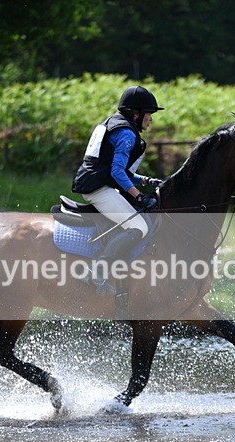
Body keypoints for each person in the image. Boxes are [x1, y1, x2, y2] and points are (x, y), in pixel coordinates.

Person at [71, 85, 164, 295]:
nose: (151, 120)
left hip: (98, 182)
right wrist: (139, 196)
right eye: (149, 114)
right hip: (98, 189)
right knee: (139, 227)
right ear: (137, 114)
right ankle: (97, 271)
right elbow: (116, 172)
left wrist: (146, 181)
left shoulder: (116, 125)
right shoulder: (127, 135)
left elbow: (123, 173)